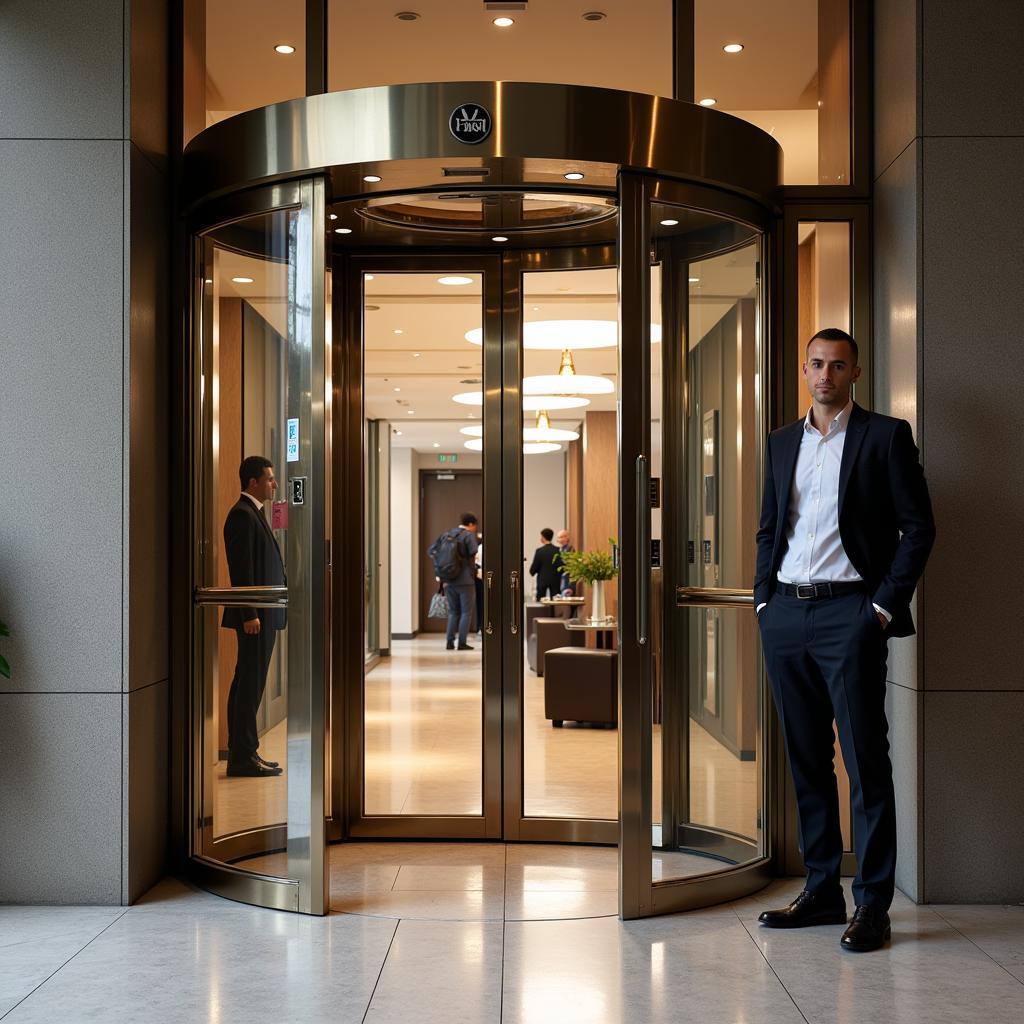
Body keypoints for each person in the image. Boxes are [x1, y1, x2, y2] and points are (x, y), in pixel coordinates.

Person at [754, 328, 934, 952]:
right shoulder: (781, 442)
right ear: (803, 370)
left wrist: (881, 608)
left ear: (856, 371)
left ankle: (873, 905)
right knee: (806, 759)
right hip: (785, 615)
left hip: (850, 615)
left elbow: (918, 528)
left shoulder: (885, 437)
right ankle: (822, 890)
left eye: (837, 364)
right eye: (815, 364)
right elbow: (771, 526)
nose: (825, 374)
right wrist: (763, 601)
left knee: (864, 761)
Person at [222, 455, 287, 778]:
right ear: (253, 482)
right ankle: (242, 756)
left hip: (264, 612)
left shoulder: (254, 514)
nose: (274, 484)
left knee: (250, 683)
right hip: (255, 616)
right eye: (270, 479)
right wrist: (249, 612)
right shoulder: (241, 516)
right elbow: (241, 569)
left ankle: (245, 752)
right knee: (249, 685)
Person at [428, 512, 479, 651]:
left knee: (453, 612)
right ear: (470, 524)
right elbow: (474, 554)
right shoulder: (468, 536)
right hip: (465, 580)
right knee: (466, 612)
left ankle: (449, 642)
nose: (475, 529)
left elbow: (431, 551)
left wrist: (441, 569)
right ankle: (462, 643)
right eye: (475, 526)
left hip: (448, 580)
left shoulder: (446, 534)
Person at [529, 528, 562, 600]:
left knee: (540, 601)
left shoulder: (539, 551)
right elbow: (561, 566)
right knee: (556, 600)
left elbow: (535, 567)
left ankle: (541, 611)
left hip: (542, 580)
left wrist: (532, 572)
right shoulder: (557, 550)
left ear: (543, 538)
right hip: (555, 580)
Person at [555, 529, 576, 596]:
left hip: (566, 584)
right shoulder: (557, 550)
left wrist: (571, 587)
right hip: (557, 583)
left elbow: (573, 569)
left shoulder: (570, 550)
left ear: (567, 538)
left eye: (562, 537)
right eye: (559, 537)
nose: (560, 539)